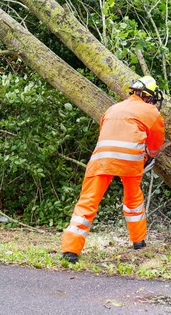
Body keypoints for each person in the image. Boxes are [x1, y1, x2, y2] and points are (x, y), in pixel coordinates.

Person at [61, 76, 165, 263]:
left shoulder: (113, 108)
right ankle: (138, 241)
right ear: (149, 96)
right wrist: (148, 155)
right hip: (131, 161)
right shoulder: (151, 111)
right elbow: (156, 144)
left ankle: (70, 250)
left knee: (88, 201)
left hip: (102, 159)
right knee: (133, 200)